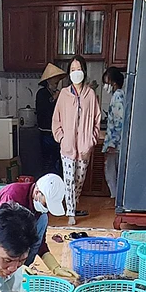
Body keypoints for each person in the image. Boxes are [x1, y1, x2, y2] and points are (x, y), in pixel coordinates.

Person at [0, 173, 76, 281]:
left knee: (43, 218)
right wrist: (13, 266)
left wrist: (55, 267)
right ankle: (11, 267)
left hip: (14, 248)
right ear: (37, 192)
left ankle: (20, 268)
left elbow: (38, 241)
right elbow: (4, 236)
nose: (46, 209)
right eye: (46, 204)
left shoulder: (39, 209)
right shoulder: (12, 196)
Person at [52, 55, 101, 226]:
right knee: (69, 181)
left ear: (84, 71)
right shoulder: (64, 94)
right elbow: (56, 119)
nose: (75, 72)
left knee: (79, 181)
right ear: (69, 73)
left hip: (84, 147)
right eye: (72, 70)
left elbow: (97, 119)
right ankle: (71, 212)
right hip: (67, 147)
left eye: (78, 69)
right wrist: (62, 138)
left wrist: (91, 140)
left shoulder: (90, 94)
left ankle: (73, 203)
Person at [36, 63, 65, 176]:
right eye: (55, 81)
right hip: (46, 134)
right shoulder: (42, 93)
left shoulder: (55, 93)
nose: (57, 84)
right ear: (48, 80)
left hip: (56, 134)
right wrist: (54, 98)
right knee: (48, 163)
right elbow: (43, 110)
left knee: (58, 162)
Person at [101, 66, 125, 199]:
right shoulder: (119, 95)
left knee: (110, 172)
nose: (106, 86)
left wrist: (112, 143)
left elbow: (119, 122)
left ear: (114, 83)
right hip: (116, 143)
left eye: (107, 82)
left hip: (115, 144)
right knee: (114, 172)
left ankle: (115, 199)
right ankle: (116, 199)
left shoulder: (117, 97)